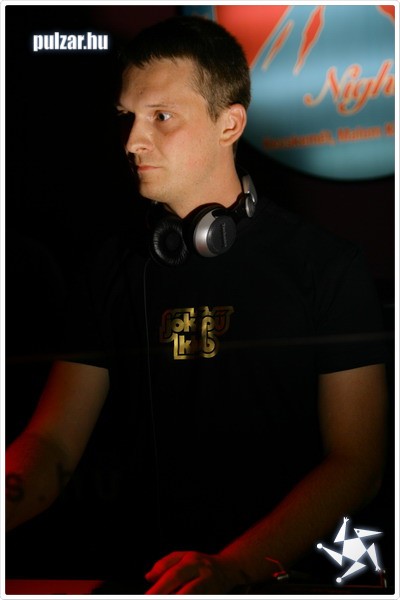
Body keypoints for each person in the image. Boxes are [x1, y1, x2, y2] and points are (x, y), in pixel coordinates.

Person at [6, 15, 388, 594]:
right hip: (152, 579)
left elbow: (357, 464)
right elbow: (53, 443)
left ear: (229, 123)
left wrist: (234, 567)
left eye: (161, 117)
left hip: (282, 577)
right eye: (128, 117)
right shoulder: (111, 269)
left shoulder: (326, 267)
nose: (132, 141)